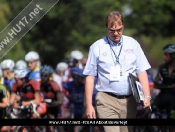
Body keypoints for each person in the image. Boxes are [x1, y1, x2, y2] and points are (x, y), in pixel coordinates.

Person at [83, 10, 151, 132]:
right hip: (106, 100)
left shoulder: (133, 44)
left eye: (119, 30)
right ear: (106, 28)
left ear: (123, 26)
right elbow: (90, 76)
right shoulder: (96, 47)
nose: (116, 33)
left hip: (130, 101)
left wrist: (147, 96)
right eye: (112, 30)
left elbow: (141, 71)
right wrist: (89, 105)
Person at [153, 44, 175, 116]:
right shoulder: (162, 67)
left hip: (173, 98)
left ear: (173, 55)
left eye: (166, 55)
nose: (164, 57)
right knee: (149, 111)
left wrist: (162, 85)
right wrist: (170, 86)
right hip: (162, 96)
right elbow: (156, 84)